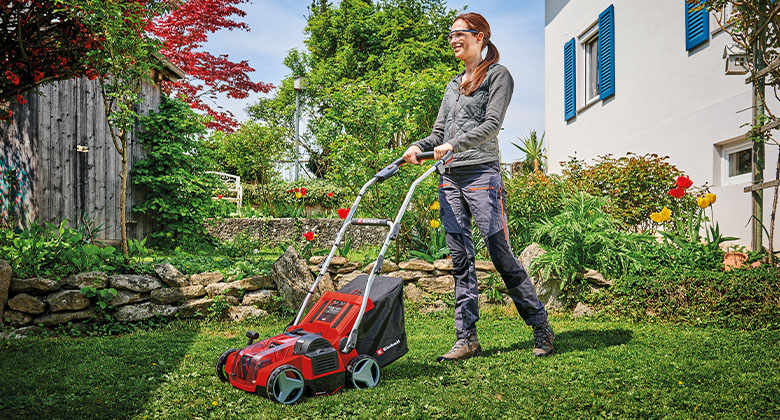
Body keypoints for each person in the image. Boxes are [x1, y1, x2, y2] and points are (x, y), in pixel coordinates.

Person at [403, 12, 555, 360]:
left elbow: (491, 125)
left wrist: (455, 145)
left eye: (460, 34)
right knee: (460, 259)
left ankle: (540, 325)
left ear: (480, 36)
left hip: (482, 176)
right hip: (449, 179)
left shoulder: (498, 76)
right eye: (451, 35)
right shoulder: (453, 84)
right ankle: (467, 338)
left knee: (500, 254)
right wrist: (418, 147)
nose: (454, 40)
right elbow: (439, 134)